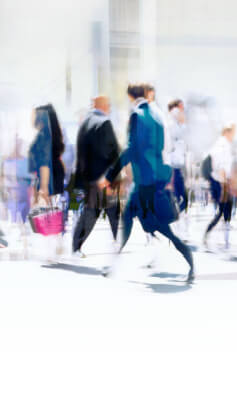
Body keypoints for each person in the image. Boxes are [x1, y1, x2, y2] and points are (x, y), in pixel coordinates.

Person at [103, 83, 194, 282]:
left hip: (143, 180)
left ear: (130, 96)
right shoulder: (158, 115)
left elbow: (130, 149)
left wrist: (110, 176)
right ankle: (188, 259)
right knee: (147, 224)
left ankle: (113, 264)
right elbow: (163, 146)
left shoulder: (136, 115)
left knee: (139, 223)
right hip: (156, 178)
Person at [71, 96, 122, 257]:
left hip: (88, 177)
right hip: (103, 178)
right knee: (101, 211)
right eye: (109, 106)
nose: (110, 108)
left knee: (100, 210)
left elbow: (80, 152)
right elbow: (113, 151)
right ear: (104, 106)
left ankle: (77, 247)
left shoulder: (85, 123)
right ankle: (118, 242)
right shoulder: (104, 122)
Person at [29, 103, 66, 260]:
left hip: (48, 175)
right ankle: (57, 243)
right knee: (52, 210)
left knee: (47, 210)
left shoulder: (43, 135)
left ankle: (52, 248)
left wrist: (43, 186)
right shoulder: (53, 133)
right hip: (55, 173)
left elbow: (44, 161)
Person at [203, 123, 237, 249]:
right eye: (232, 133)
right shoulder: (222, 144)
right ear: (226, 132)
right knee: (222, 209)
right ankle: (209, 234)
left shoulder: (223, 144)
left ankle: (225, 236)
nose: (233, 136)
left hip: (222, 181)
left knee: (226, 208)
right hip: (221, 182)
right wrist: (225, 182)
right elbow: (220, 165)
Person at [165, 99, 189, 213]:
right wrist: (183, 124)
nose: (182, 110)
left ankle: (172, 214)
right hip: (172, 164)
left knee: (180, 197)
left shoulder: (174, 123)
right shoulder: (171, 123)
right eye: (181, 107)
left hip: (177, 164)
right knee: (179, 196)